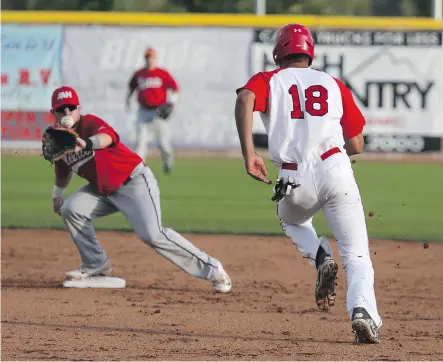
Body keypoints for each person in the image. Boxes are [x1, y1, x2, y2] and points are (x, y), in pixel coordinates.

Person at [234, 24, 382, 344]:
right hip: (335, 167)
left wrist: (249, 154)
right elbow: (356, 142)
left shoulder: (268, 80)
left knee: (292, 220)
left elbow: (245, 99)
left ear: (279, 52)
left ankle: (319, 257)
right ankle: (362, 312)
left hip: (292, 174)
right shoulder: (333, 83)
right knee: (356, 253)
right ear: (309, 52)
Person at [49, 85, 231, 293]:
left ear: (78, 109)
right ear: (53, 113)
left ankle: (213, 269)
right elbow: (63, 170)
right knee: (71, 209)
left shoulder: (90, 123)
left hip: (134, 182)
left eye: (71, 108)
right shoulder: (59, 140)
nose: (66, 113)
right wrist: (57, 195)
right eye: (61, 109)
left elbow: (107, 138)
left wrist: (86, 143)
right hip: (103, 190)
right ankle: (95, 264)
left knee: (153, 235)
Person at [126, 47, 179, 174]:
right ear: (145, 58)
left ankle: (168, 163)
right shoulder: (139, 74)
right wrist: (128, 100)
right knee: (141, 143)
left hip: (158, 112)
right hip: (143, 111)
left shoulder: (162, 73)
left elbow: (175, 89)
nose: (150, 59)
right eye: (147, 57)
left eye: (152, 57)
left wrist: (171, 103)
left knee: (164, 144)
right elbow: (131, 88)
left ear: (155, 58)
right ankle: (138, 170)